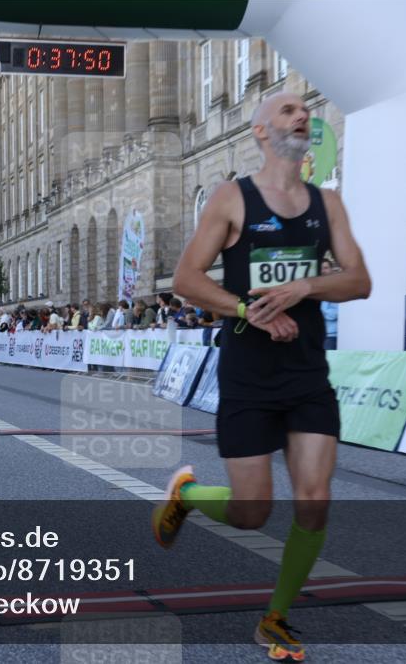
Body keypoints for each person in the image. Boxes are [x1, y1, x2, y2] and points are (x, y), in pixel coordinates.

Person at [153, 91, 371, 662]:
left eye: (305, 112)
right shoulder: (233, 198)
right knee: (253, 512)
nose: (302, 117)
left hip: (307, 374)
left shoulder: (329, 204)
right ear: (260, 132)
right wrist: (246, 310)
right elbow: (186, 278)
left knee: (314, 499)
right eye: (287, 111)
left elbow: (358, 281)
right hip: (249, 372)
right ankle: (189, 494)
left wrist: (305, 287)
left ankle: (276, 617)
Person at [320, 259, 339, 349]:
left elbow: (335, 314)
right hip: (317, 334)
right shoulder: (316, 288)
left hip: (331, 335)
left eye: (326, 268)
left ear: (331, 269)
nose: (323, 271)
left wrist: (320, 310)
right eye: (321, 268)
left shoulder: (337, 289)